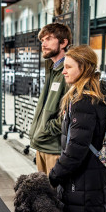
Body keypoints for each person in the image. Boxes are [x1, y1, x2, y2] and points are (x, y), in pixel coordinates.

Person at [48, 45, 106, 212]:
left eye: (69, 67)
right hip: (99, 177)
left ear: (83, 68)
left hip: (83, 185)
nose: (63, 70)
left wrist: (52, 177)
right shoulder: (99, 95)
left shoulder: (83, 101)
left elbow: (75, 151)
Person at [29, 22, 72, 175]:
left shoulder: (68, 72)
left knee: (54, 196)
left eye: (48, 39)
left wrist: (46, 129)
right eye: (42, 40)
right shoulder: (51, 69)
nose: (44, 44)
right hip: (42, 145)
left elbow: (69, 115)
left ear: (63, 42)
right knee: (44, 194)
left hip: (54, 148)